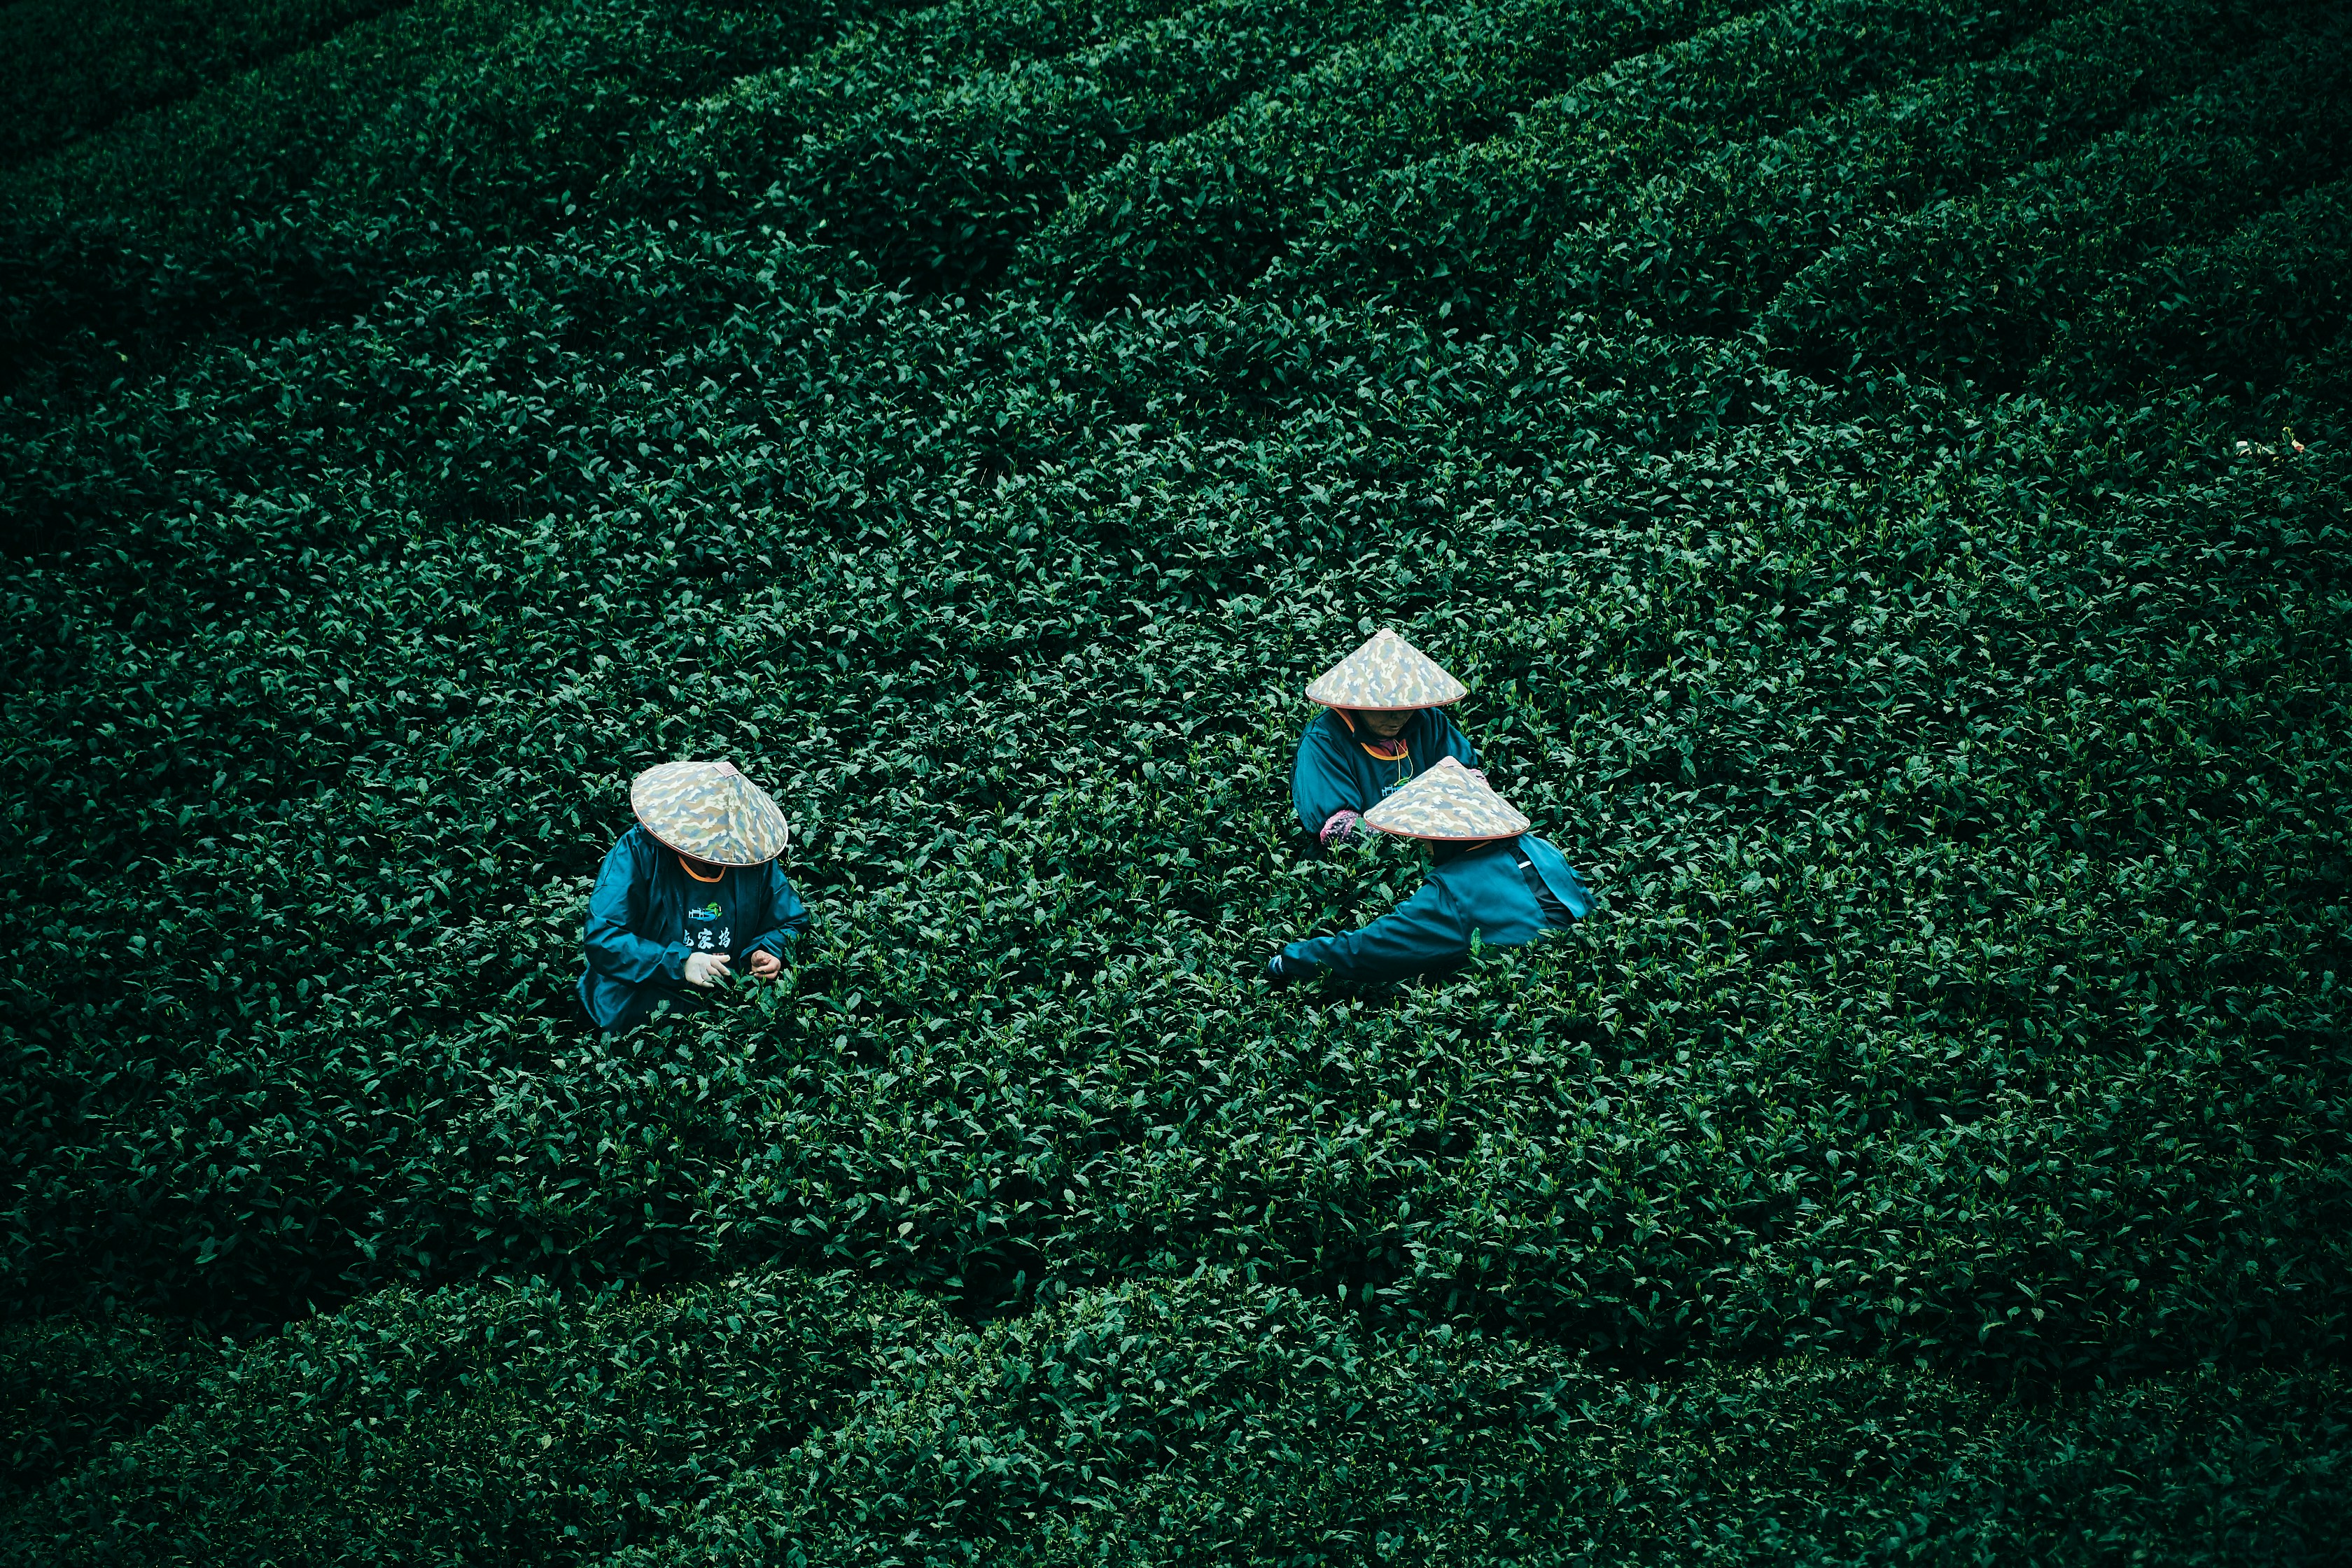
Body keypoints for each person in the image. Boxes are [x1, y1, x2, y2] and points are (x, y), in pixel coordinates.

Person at [1266, 757, 1592, 987]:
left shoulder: (1452, 891)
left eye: (1426, 833)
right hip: (1580, 968)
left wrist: (1293, 959)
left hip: (1522, 990)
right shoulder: (1540, 847)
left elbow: (1372, 949)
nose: (1421, 843)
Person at [579, 759, 808, 1030]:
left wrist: (766, 951)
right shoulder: (639, 851)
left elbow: (790, 920)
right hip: (637, 1014)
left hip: (726, 1014)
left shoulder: (751, 857)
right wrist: (679, 962)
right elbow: (604, 937)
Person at [1292, 629, 1480, 848]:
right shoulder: (1323, 740)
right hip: (1366, 862)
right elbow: (1339, 828)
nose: (1398, 716)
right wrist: (1415, 839)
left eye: (1406, 705)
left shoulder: (1429, 721)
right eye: (1386, 708)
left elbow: (1469, 780)